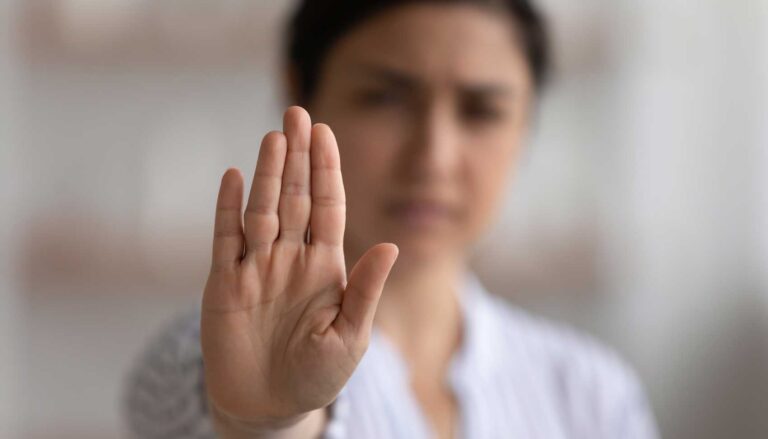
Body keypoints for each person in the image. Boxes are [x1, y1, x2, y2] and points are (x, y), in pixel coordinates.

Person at [123, 0, 659, 438]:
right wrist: (263, 421)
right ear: (300, 92)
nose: (433, 156)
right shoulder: (206, 356)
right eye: (385, 99)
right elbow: (217, 405)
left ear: (527, 123)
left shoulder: (591, 392)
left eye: (481, 111)